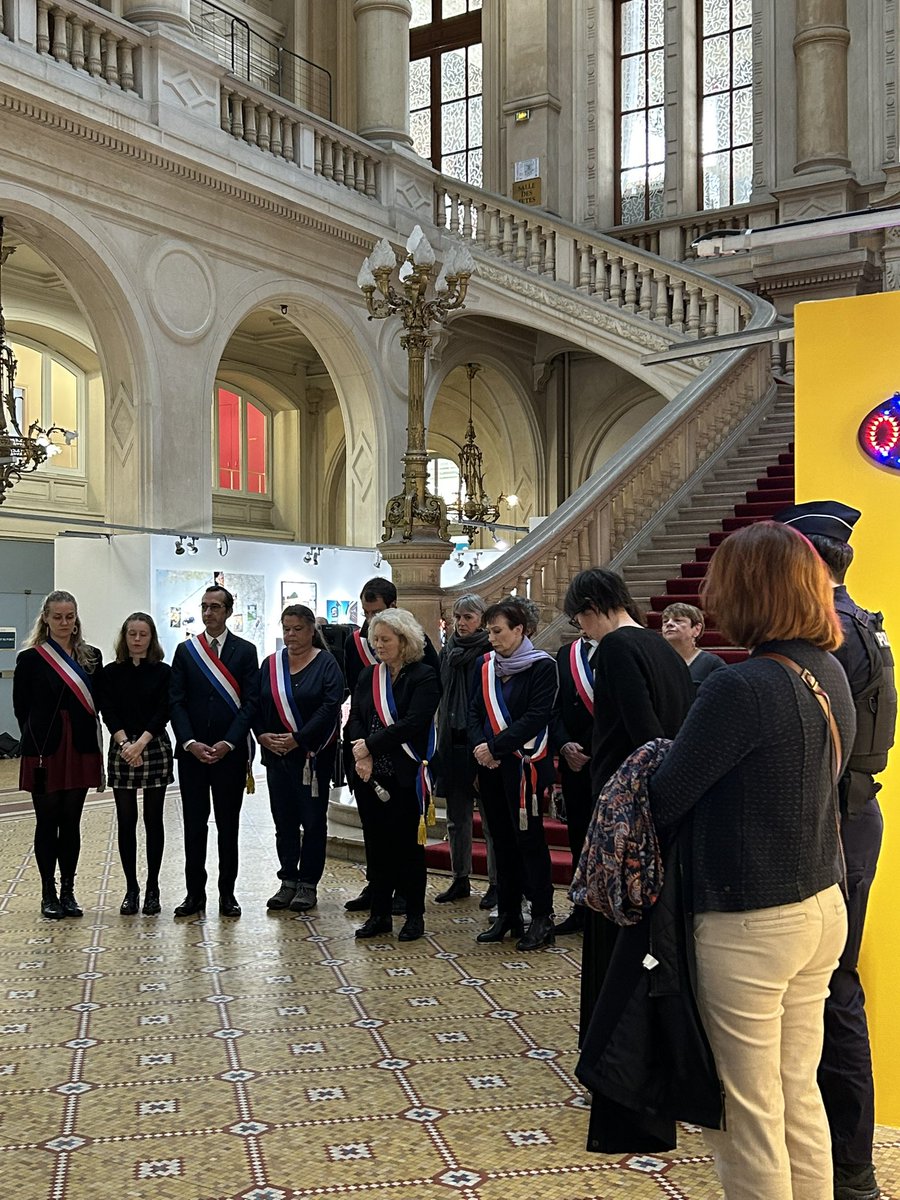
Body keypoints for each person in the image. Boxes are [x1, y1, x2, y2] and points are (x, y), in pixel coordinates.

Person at [647, 521, 855, 1200]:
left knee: (746, 1113)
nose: (710, 595)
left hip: (750, 916)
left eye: (720, 583)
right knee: (797, 1093)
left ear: (747, 593)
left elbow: (669, 793)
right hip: (820, 902)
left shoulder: (741, 687)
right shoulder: (825, 669)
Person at [776, 500, 896, 1200]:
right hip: (851, 818)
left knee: (832, 996)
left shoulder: (834, 635)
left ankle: (850, 1170)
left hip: (833, 823)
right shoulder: (861, 625)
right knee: (827, 993)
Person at [562, 568, 693, 1035]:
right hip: (659, 803)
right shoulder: (664, 648)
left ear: (593, 607)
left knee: (612, 923)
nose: (584, 631)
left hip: (626, 809)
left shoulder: (617, 647)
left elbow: (645, 737)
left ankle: (609, 1042)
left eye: (581, 620)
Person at [342, 576, 440, 914]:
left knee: (407, 846)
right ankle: (378, 909)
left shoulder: (422, 674)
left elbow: (414, 722)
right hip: (368, 769)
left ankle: (411, 911)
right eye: (375, 638)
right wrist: (359, 750)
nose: (377, 644)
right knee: (376, 841)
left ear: (403, 640)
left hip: (403, 767)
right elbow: (355, 713)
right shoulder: (369, 674)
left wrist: (367, 745)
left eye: (384, 639)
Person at [467, 595, 558, 951]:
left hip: (526, 768)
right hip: (489, 767)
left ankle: (541, 917)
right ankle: (508, 914)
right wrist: (480, 748)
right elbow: (474, 710)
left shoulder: (542, 666)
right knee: (501, 842)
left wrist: (495, 747)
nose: (491, 637)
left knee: (529, 842)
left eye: (498, 631)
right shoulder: (485, 665)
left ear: (520, 630)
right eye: (489, 631)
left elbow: (537, 716)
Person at [169, 585, 259, 918]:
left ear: (228, 612)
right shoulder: (185, 651)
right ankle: (194, 894)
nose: (209, 613)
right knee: (194, 826)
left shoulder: (245, 652)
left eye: (216, 607)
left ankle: (227, 895)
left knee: (227, 826)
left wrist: (228, 742)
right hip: (192, 756)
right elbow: (175, 701)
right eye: (205, 607)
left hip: (229, 755)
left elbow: (251, 703)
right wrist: (189, 742)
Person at [12, 590, 103, 919]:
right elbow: (20, 708)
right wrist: (37, 738)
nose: (65, 623)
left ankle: (68, 891)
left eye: (70, 616)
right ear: (46, 619)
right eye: (58, 617)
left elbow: (99, 703)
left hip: (79, 747)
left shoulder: (91, 657)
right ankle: (47, 892)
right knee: (47, 821)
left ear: (76, 618)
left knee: (72, 821)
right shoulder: (30, 659)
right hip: (44, 749)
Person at [254, 605, 343, 913]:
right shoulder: (271, 664)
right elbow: (255, 702)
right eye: (286, 629)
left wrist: (299, 738)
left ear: (311, 630)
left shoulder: (326, 664)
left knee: (313, 821)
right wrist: (261, 735)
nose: (291, 635)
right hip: (277, 756)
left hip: (311, 758)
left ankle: (308, 883)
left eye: (297, 629)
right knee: (284, 821)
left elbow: (330, 706)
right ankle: (288, 879)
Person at [99, 612, 173, 916]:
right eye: (133, 634)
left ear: (151, 638)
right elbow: (108, 710)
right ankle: (132, 888)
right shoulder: (110, 672)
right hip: (121, 745)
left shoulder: (164, 672)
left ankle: (153, 887)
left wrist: (141, 743)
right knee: (126, 821)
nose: (138, 640)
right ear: (125, 637)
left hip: (153, 744)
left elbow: (164, 710)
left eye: (143, 634)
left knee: (153, 821)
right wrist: (125, 744)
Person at [432, 594, 497, 906]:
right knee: (457, 819)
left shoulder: (489, 651)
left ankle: (496, 883)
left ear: (481, 620)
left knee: (489, 821)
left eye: (468, 617)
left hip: (480, 743)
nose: (461, 623)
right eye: (457, 617)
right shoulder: (448, 651)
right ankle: (460, 878)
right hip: (450, 739)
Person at [550, 627, 598, 934]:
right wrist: (564, 745)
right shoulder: (567, 653)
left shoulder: (618, 649)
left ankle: (602, 911)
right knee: (578, 836)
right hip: (573, 763)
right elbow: (554, 710)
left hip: (606, 761)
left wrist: (594, 751)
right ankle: (580, 909)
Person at [660, 601, 727, 688]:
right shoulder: (654, 661)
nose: (669, 624)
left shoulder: (712, 663)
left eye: (678, 620)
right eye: (665, 621)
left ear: (697, 629)